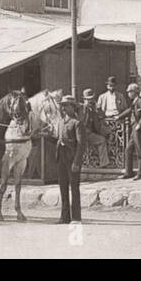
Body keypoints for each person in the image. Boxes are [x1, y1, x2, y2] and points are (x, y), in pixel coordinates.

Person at [54, 95, 82, 224]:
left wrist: (77, 162)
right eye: (62, 106)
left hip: (72, 158)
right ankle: (64, 217)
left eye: (66, 105)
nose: (64, 108)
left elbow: (81, 144)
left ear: (73, 107)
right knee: (63, 187)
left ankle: (76, 217)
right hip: (61, 157)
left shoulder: (77, 123)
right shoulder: (60, 122)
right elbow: (57, 138)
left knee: (74, 188)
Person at [117, 82, 141, 180]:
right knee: (128, 150)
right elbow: (129, 110)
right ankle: (129, 172)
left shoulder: (140, 101)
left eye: (129, 92)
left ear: (134, 92)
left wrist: (139, 124)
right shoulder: (134, 102)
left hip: (137, 128)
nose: (128, 94)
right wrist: (118, 116)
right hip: (134, 128)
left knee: (139, 151)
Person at [78, 88, 109, 167]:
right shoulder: (80, 107)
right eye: (88, 99)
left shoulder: (93, 110)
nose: (90, 101)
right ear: (84, 99)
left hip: (88, 134)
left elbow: (100, 119)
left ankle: (103, 163)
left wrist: (98, 108)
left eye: (91, 99)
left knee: (102, 140)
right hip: (79, 134)